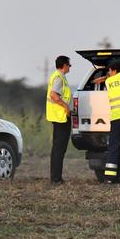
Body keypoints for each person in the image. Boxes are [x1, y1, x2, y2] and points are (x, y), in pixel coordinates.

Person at [46, 55, 72, 184]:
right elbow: (53, 95)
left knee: (58, 148)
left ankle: (57, 177)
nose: (70, 67)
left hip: (59, 117)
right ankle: (56, 179)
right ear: (65, 65)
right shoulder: (59, 77)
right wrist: (66, 106)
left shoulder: (58, 76)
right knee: (59, 149)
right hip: (61, 117)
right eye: (69, 65)